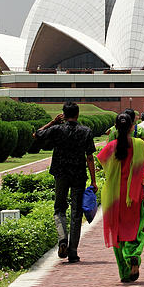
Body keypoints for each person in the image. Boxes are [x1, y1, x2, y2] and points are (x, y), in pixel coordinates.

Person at [35, 102, 97, 263]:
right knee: (76, 213)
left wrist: (53, 122)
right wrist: (94, 181)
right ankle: (73, 251)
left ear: (63, 114)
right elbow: (89, 157)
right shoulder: (86, 131)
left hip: (61, 173)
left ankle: (63, 239)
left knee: (59, 208)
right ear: (77, 114)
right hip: (78, 174)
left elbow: (37, 134)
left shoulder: (57, 129)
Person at [96, 113, 144, 283]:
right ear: (133, 127)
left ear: (115, 127)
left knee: (118, 234)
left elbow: (102, 164)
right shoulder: (140, 145)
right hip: (133, 197)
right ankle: (133, 254)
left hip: (114, 197)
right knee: (136, 230)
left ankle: (125, 273)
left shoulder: (110, 147)